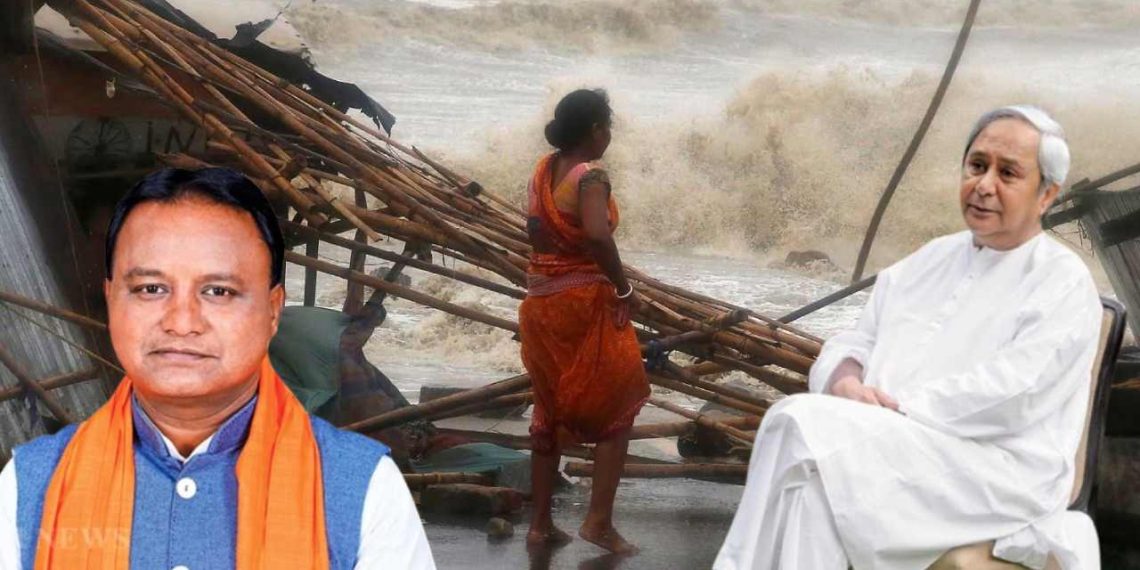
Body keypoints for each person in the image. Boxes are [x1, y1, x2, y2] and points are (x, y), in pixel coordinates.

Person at [714, 106, 1103, 570]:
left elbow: (1015, 393)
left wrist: (896, 411)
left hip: (997, 474)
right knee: (813, 488)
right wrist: (846, 383)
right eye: (977, 166)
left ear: (1046, 195)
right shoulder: (931, 259)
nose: (984, 185)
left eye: (1008, 173)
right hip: (900, 448)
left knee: (796, 423)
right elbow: (856, 339)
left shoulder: (1062, 281)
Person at [0, 168, 435, 569]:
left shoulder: (361, 489)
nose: (182, 321)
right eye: (151, 288)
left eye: (218, 291)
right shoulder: (29, 485)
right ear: (112, 299)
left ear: (272, 310)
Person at [519, 89, 650, 555]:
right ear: (596, 130)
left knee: (548, 408)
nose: (609, 135)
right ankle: (598, 522)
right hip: (583, 305)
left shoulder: (542, 172)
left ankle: (539, 525)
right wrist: (623, 287)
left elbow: (537, 234)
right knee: (622, 396)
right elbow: (596, 234)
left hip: (539, 304)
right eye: (607, 126)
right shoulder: (590, 177)